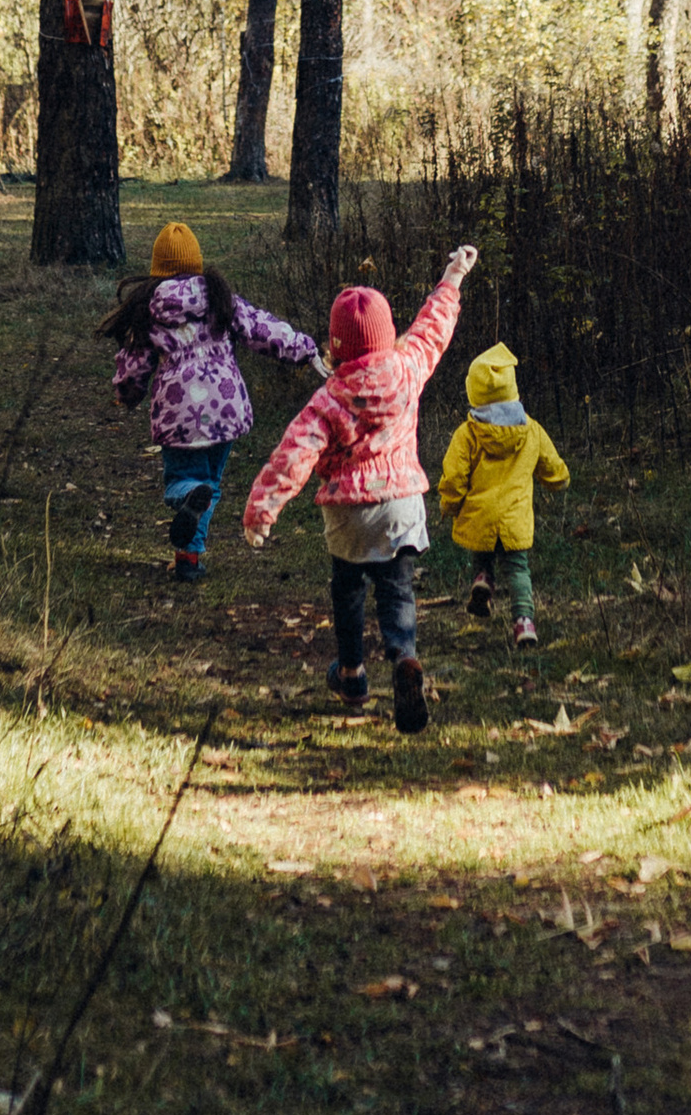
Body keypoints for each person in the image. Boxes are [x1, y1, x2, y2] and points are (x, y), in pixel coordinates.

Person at [241, 243, 479, 733]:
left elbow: (294, 455)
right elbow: (433, 329)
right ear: (389, 335)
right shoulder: (408, 367)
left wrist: (262, 510)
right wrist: (453, 275)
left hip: (349, 514)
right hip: (402, 507)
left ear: (336, 346)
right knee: (398, 590)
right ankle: (404, 656)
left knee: (348, 593)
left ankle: (351, 675)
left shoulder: (329, 397)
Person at [105, 223, 322, 583]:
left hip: (179, 416)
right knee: (210, 485)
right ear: (197, 263)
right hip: (226, 409)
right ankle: (189, 560)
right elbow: (261, 328)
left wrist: (127, 394)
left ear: (158, 268)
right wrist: (305, 349)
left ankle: (188, 503)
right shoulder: (219, 298)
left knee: (185, 481)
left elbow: (133, 366)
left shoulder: (149, 309)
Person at [437, 341, 569, 646]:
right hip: (515, 519)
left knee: (481, 552)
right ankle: (524, 623)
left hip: (479, 515)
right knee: (518, 570)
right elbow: (552, 466)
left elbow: (454, 476)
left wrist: (451, 505)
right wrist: (559, 480)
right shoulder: (532, 430)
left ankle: (482, 579)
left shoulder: (467, 433)